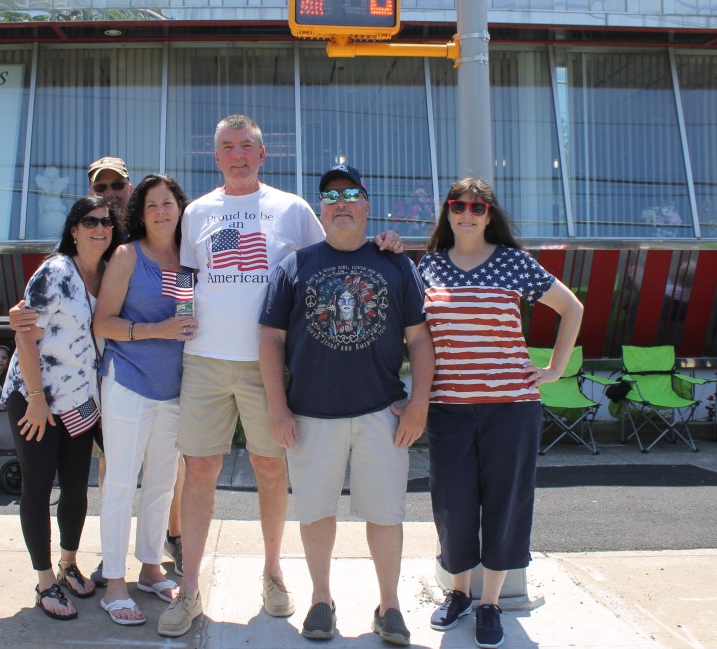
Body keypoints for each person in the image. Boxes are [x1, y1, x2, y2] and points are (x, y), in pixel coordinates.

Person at [157, 114, 403, 638]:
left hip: (267, 364)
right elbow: (185, 274)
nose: (238, 155)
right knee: (199, 470)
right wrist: (181, 316)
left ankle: (272, 572)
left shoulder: (291, 209)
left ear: (262, 154)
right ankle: (190, 587)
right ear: (216, 156)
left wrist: (384, 242)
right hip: (204, 360)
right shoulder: (197, 211)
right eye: (228, 147)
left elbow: (336, 249)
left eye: (247, 146)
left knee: (270, 468)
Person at [259, 165, 434, 645]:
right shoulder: (294, 266)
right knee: (315, 511)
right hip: (311, 414)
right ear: (321, 209)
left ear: (367, 206)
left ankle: (389, 605)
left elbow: (420, 338)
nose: (341, 203)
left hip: (382, 413)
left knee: (386, 513)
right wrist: (277, 408)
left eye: (351, 194)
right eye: (331, 196)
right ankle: (321, 599)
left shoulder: (396, 263)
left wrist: (419, 403)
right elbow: (270, 339)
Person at [418, 178, 582, 649]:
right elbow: (414, 333)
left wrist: (555, 368)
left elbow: (571, 308)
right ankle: (459, 593)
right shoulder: (428, 266)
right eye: (458, 206)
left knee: (505, 503)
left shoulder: (513, 262)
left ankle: (490, 603)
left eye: (477, 207)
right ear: (447, 212)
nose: (467, 214)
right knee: (452, 504)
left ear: (489, 214)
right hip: (449, 408)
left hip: (511, 408)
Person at [1, 194, 123, 621]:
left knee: (75, 487)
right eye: (90, 221)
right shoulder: (55, 271)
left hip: (79, 400)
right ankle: (45, 581)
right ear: (73, 229)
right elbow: (24, 333)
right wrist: (36, 401)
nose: (99, 228)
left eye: (106, 222)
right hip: (36, 397)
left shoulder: (107, 273)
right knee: (37, 487)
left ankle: (69, 563)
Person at [91, 173, 195, 625]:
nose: (160, 211)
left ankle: (151, 568)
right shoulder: (127, 255)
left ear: (180, 208)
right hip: (129, 381)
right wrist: (158, 330)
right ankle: (115, 583)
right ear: (141, 212)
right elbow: (103, 323)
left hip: (174, 388)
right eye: (151, 204)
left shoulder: (190, 259)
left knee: (161, 483)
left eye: (167, 202)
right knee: (120, 483)